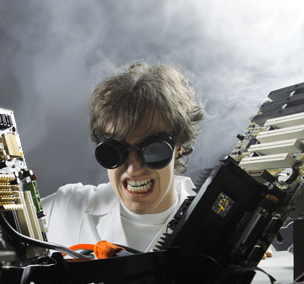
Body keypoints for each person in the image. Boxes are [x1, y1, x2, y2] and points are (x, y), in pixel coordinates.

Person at [42, 62, 204, 253]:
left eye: (152, 150)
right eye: (116, 150)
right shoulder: (66, 208)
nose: (133, 168)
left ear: (178, 147)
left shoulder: (210, 225)